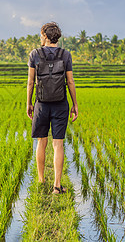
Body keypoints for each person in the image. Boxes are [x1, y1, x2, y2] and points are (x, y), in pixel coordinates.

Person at [26, 22, 78, 195]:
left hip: (41, 103)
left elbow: (30, 82)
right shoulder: (65, 55)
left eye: (41, 35)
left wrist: (29, 103)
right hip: (60, 103)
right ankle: (57, 185)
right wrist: (75, 104)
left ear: (45, 36)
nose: (40, 38)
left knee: (41, 141)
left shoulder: (35, 54)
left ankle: (41, 180)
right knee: (58, 144)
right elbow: (70, 81)